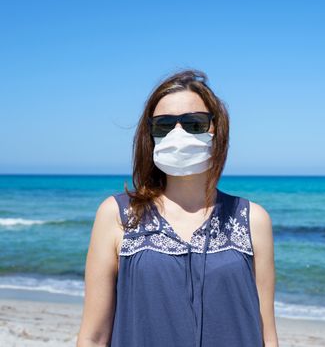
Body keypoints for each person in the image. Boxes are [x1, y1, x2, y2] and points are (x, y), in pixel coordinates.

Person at [76, 69, 279, 347]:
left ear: (215, 130)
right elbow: (92, 337)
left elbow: (267, 334)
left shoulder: (252, 219)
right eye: (164, 125)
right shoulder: (118, 216)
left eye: (194, 123)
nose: (178, 133)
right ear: (151, 135)